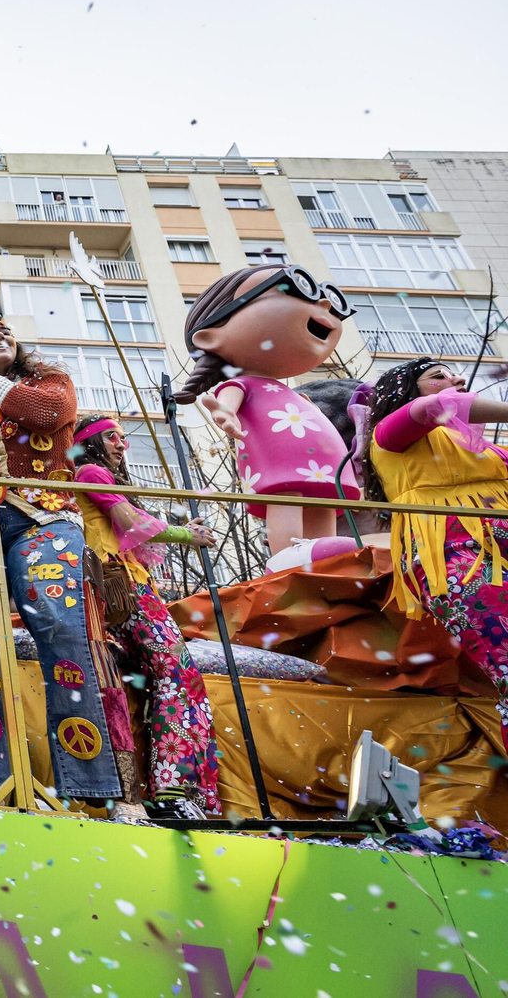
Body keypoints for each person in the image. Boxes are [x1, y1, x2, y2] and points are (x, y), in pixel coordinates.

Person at [0, 319, 123, 803]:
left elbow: (50, 417)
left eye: (5, 329)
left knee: (58, 625)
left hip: (44, 516)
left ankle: (88, 784)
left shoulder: (50, 384)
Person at [70, 415, 221, 820]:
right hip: (126, 588)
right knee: (177, 673)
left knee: (167, 676)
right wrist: (187, 535)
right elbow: (130, 524)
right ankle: (174, 789)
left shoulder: (96, 473)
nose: (122, 444)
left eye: (122, 437)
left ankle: (175, 788)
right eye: (112, 437)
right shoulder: (90, 471)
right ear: (91, 444)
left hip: (123, 586)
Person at [362, 358, 508, 749]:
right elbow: (432, 409)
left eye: (455, 374)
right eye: (438, 375)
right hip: (457, 559)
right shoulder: (389, 433)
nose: (455, 379)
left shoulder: (488, 451)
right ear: (403, 391)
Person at [172, 265, 360, 558]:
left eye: (330, 299)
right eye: (293, 289)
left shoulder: (293, 393)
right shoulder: (242, 384)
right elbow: (226, 404)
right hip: (279, 460)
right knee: (285, 496)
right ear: (210, 337)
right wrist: (224, 413)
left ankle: (327, 554)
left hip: (324, 463)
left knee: (325, 501)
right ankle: (287, 555)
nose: (324, 305)